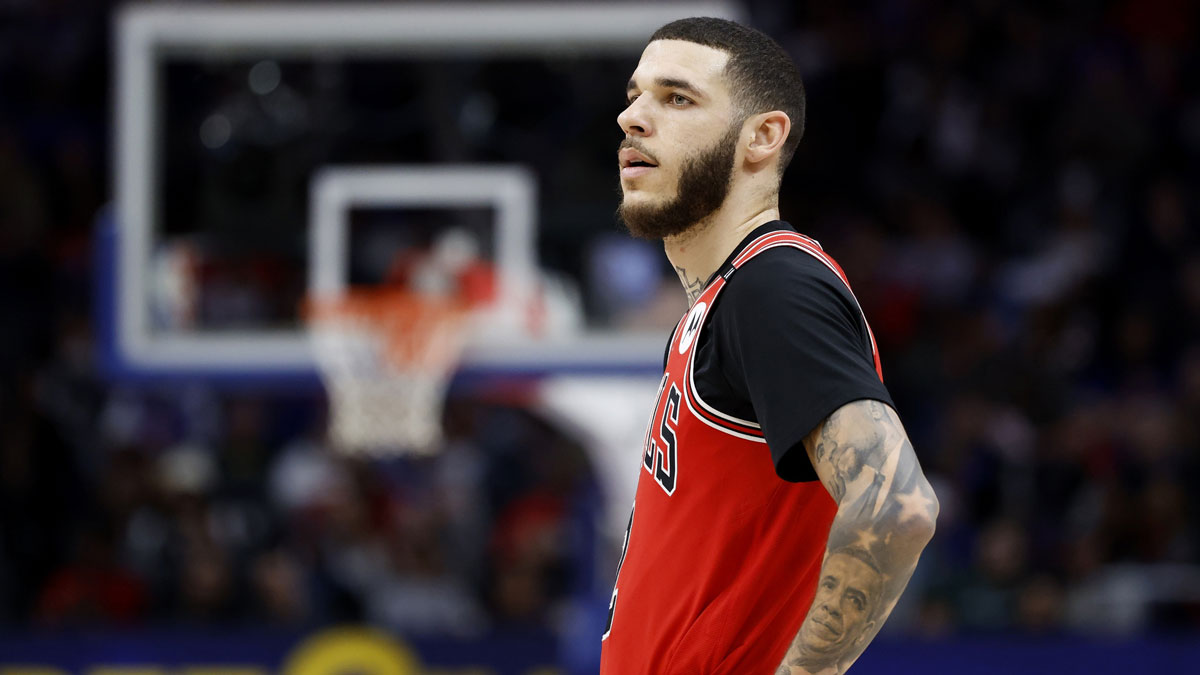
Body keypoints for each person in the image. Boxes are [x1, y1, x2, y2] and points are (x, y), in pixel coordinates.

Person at [599, 17, 939, 675]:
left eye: (677, 98)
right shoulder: (725, 300)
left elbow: (897, 506)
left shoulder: (772, 286)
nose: (632, 117)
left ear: (762, 136)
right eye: (635, 95)